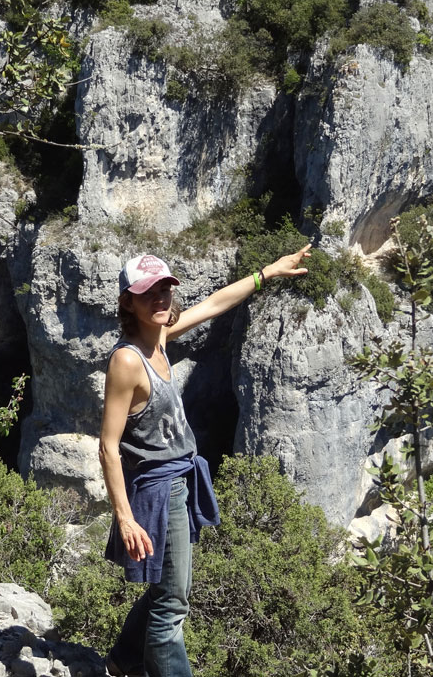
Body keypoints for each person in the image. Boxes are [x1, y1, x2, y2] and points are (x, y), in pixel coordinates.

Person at [99, 246, 312, 677]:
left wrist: (267, 272)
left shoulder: (158, 335)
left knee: (165, 588)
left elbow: (214, 305)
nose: (161, 299)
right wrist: (124, 517)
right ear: (128, 301)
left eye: (165, 289)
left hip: (180, 480)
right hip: (158, 490)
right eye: (148, 292)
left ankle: (123, 660)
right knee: (173, 604)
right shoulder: (127, 360)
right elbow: (107, 445)